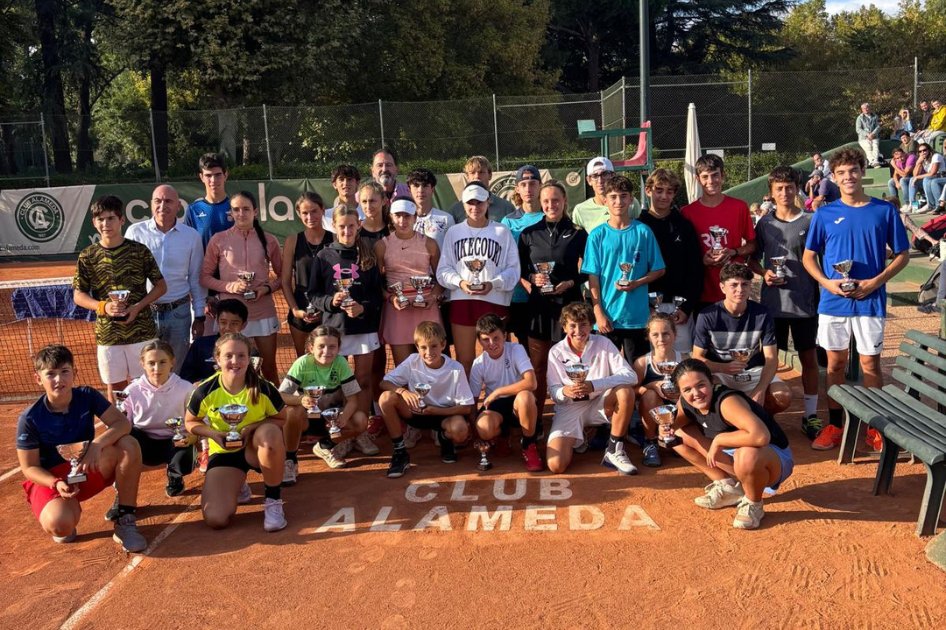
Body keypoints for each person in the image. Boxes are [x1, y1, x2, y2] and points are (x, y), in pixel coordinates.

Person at [802, 148, 911, 451]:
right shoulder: (824, 213)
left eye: (853, 170)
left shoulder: (884, 210)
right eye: (841, 173)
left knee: (870, 366)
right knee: (835, 365)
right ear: (833, 177)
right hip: (833, 302)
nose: (848, 177)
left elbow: (902, 255)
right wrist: (827, 283)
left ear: (862, 172)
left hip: (870, 300)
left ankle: (876, 428)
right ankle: (836, 425)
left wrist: (875, 282)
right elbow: (809, 257)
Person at [16, 344, 147, 551]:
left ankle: (125, 519)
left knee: (128, 444)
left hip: (86, 465)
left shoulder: (87, 395)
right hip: (52, 480)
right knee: (60, 525)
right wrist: (55, 483)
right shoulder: (29, 418)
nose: (59, 380)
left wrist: (97, 444)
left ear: (74, 373)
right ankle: (66, 512)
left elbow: (122, 423)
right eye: (51, 374)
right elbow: (29, 467)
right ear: (38, 378)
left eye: (64, 372)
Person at [666, 359, 793, 530]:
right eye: (687, 389)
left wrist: (719, 440)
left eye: (701, 385)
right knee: (678, 436)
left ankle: (753, 503)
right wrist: (665, 429)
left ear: (712, 382)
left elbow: (760, 436)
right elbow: (673, 426)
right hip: (736, 455)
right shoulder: (686, 403)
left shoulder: (727, 402)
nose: (695, 393)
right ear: (680, 392)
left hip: (772, 458)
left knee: (746, 455)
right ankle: (728, 487)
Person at [184, 333, 288, 532]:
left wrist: (251, 428)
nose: (235, 361)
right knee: (216, 519)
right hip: (224, 453)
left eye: (241, 356)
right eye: (228, 356)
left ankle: (273, 501)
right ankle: (237, 484)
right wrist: (214, 434)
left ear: (249, 359)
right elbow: (190, 422)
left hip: (255, 449)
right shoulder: (205, 390)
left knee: (270, 433)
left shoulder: (264, 388)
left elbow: (281, 418)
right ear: (217, 359)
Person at [749, 167, 822, 439]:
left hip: (805, 303)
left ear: (797, 188)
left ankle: (811, 415)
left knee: (809, 358)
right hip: (773, 305)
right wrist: (764, 273)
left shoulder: (811, 221)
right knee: (769, 359)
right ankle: (765, 414)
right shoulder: (764, 224)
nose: (784, 192)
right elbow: (753, 259)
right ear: (771, 191)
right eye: (779, 188)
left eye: (789, 187)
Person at [73, 195, 167, 401]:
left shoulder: (139, 251)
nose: (106, 224)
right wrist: (104, 307)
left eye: (111, 218)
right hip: (108, 335)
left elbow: (161, 286)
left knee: (147, 383)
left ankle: (145, 429)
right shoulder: (87, 256)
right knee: (115, 388)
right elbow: (78, 295)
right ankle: (118, 427)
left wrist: (138, 307)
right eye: (101, 219)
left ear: (121, 220)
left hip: (142, 331)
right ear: (94, 222)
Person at [437, 181, 521, 375]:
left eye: (480, 202)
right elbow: (443, 270)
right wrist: (460, 282)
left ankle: (499, 404)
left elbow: (513, 270)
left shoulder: (502, 231)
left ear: (488, 202)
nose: (475, 207)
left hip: (495, 302)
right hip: (462, 301)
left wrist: (493, 284)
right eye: (470, 203)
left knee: (498, 361)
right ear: (463, 204)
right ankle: (469, 406)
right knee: (464, 361)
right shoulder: (453, 232)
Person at [307, 206, 384, 417]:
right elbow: (313, 294)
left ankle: (361, 427)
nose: (347, 231)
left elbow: (377, 295)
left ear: (359, 225)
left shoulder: (368, 254)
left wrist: (362, 307)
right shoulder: (324, 255)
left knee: (364, 380)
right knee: (336, 382)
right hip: (335, 329)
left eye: (351, 226)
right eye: (342, 226)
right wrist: (331, 301)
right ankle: (341, 429)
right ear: (334, 226)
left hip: (363, 327)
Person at [200, 190, 282, 385]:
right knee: (231, 368)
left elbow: (282, 277)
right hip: (231, 316)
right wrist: (230, 286)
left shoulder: (269, 240)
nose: (241, 214)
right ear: (231, 213)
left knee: (269, 367)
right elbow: (204, 277)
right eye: (236, 210)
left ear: (255, 212)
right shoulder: (218, 240)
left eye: (246, 209)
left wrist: (265, 289)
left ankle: (278, 412)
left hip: (263, 312)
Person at [546, 302, 638, 475]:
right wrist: (564, 392)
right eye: (572, 325)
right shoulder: (555, 352)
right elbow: (554, 391)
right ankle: (583, 438)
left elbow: (631, 376)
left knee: (625, 391)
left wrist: (594, 385)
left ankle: (613, 449)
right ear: (564, 327)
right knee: (556, 465)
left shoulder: (603, 343)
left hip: (600, 403)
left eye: (583, 325)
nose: (578, 331)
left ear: (591, 325)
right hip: (569, 409)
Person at [518, 180, 587, 404]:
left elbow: (588, 270)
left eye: (556, 200)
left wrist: (570, 281)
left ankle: (570, 415)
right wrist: (532, 278)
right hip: (539, 308)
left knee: (570, 366)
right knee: (538, 366)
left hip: (569, 308)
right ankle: (536, 420)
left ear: (565, 200)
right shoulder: (529, 234)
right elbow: (519, 269)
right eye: (546, 201)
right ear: (540, 202)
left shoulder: (578, 233)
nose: (551, 205)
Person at [582, 175, 665, 361]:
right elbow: (592, 277)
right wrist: (598, 313)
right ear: (605, 200)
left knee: (637, 374)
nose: (618, 201)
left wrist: (637, 283)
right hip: (607, 319)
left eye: (623, 196)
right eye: (613, 196)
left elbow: (659, 269)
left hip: (637, 319)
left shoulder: (643, 232)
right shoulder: (597, 235)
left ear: (630, 199)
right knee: (604, 374)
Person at [125, 184, 206, 372]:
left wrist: (200, 316)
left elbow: (195, 278)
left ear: (178, 205)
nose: (163, 205)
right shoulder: (134, 232)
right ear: (151, 204)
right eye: (158, 201)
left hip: (180, 314)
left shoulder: (191, 237)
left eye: (168, 201)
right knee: (144, 370)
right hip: (144, 314)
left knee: (175, 369)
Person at [378, 321, 475, 478]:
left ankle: (445, 439)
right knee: (386, 398)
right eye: (423, 347)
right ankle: (400, 451)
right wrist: (403, 391)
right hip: (417, 413)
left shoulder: (455, 368)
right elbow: (384, 383)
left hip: (444, 414)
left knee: (460, 430)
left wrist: (436, 410)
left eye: (433, 346)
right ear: (417, 347)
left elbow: (466, 408)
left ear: (443, 344)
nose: (428, 352)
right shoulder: (412, 361)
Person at [692, 262, 792, 415]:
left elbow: (771, 358)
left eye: (745, 284)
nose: (740, 290)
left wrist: (760, 390)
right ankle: (731, 424)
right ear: (722, 287)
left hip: (753, 371)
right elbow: (697, 358)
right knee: (711, 391)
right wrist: (723, 368)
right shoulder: (707, 315)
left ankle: (762, 419)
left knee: (782, 396)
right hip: (721, 374)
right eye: (734, 285)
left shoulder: (762, 314)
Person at [279, 326, 372, 480]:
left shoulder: (341, 363)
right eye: (321, 346)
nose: (326, 351)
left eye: (332, 347)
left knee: (360, 420)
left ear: (339, 348)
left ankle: (325, 446)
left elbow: (353, 401)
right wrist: (301, 399)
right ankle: (290, 460)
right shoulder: (302, 363)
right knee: (291, 412)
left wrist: (343, 417)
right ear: (311, 347)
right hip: (307, 420)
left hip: (331, 419)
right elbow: (281, 395)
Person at [638, 168, 703, 353]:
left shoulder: (684, 225)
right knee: (651, 360)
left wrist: (687, 307)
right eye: (659, 190)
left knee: (681, 358)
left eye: (669, 191)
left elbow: (695, 269)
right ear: (648, 190)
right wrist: (644, 306)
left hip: (679, 308)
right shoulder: (638, 226)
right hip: (647, 307)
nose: (664, 196)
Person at [120, 340, 195, 498]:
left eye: (162, 362)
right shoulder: (131, 391)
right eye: (151, 363)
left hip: (176, 443)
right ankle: (121, 495)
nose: (157, 368)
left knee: (185, 462)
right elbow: (123, 424)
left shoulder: (186, 388)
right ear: (143, 364)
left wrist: (193, 437)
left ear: (172, 362)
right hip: (144, 444)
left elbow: (198, 419)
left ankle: (175, 475)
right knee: (124, 440)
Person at [681, 154, 756, 310]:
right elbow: (683, 254)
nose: (710, 181)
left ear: (723, 175)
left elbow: (752, 245)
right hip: (702, 292)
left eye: (715, 175)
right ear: (697, 179)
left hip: (735, 293)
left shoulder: (739, 207)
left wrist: (733, 252)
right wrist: (701, 259)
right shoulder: (687, 213)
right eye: (705, 176)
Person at [469, 314, 541, 472]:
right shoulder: (478, 364)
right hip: (496, 407)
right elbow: (472, 402)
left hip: (518, 402)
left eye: (496, 338)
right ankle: (502, 436)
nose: (492, 343)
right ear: (479, 341)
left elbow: (531, 382)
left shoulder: (516, 349)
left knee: (526, 397)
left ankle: (529, 444)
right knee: (484, 427)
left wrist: (498, 391)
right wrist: (477, 435)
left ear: (505, 335)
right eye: (486, 340)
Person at [376, 198, 443, 366]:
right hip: (397, 309)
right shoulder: (381, 246)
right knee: (403, 368)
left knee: (430, 365)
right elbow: (376, 283)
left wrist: (433, 297)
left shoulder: (430, 244)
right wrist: (391, 299)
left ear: (415, 218)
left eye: (407, 216)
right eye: (398, 216)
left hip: (426, 308)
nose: (402, 221)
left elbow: (442, 277)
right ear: (391, 217)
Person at [280, 192, 333, 357]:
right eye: (305, 213)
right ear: (299, 214)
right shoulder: (292, 241)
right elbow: (285, 281)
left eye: (314, 211)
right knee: (303, 361)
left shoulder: (335, 239)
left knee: (329, 360)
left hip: (329, 312)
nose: (310, 216)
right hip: (300, 313)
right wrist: (295, 310)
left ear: (323, 210)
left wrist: (327, 308)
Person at [632, 312, 687, 468]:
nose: (661, 339)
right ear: (649, 337)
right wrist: (652, 386)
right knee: (649, 395)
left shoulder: (685, 360)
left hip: (678, 412)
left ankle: (676, 436)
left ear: (674, 335)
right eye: (655, 335)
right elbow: (632, 391)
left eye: (666, 334)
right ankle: (650, 442)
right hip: (652, 410)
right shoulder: (642, 362)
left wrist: (681, 392)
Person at [501, 165, 545, 344]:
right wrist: (524, 280)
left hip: (544, 293)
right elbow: (506, 259)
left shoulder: (548, 216)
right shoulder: (509, 221)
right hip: (518, 295)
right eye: (524, 184)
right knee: (522, 345)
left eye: (533, 183)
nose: (528, 189)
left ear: (540, 186)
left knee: (544, 344)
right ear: (517, 188)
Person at [179, 299, 250, 384]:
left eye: (234, 323)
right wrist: (202, 385)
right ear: (217, 321)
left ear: (244, 324)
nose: (228, 328)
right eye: (223, 322)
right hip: (205, 394)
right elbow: (185, 378)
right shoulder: (200, 345)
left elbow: (250, 381)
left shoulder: (248, 349)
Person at [571, 156, 642, 233]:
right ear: (589, 180)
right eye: (595, 176)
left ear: (613, 176)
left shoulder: (631, 203)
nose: (600, 180)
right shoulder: (580, 210)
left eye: (605, 174)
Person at [447, 156, 515, 223]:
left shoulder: (506, 208)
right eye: (472, 173)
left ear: (490, 175)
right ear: (467, 176)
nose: (477, 176)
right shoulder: (455, 210)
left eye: (481, 172)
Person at [185, 152, 232, 250]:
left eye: (218, 175)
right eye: (208, 175)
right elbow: (187, 247)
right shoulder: (193, 210)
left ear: (226, 175)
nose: (213, 180)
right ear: (201, 177)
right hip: (203, 265)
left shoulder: (237, 208)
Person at [408, 167, 455, 249]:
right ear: (409, 190)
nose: (420, 190)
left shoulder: (446, 219)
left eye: (425, 186)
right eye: (416, 185)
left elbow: (452, 251)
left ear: (432, 189)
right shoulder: (402, 219)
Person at [324, 164, 364, 233]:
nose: (345, 183)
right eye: (341, 179)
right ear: (334, 184)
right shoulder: (325, 216)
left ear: (357, 183)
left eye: (349, 179)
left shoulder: (367, 214)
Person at [907, 143, 943, 212]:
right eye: (920, 151)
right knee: (912, 179)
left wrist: (918, 177)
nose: (922, 152)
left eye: (924, 150)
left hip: (941, 177)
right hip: (932, 179)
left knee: (926, 179)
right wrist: (918, 163)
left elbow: (933, 172)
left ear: (929, 150)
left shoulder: (936, 156)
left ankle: (931, 205)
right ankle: (913, 205)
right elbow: (915, 175)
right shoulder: (924, 159)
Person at [358, 180, 391, 247]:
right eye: (364, 201)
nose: (368, 206)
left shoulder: (392, 231)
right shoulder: (355, 232)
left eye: (372, 201)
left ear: (384, 201)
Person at [855, 102, 881, 167]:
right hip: (863, 138)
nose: (866, 109)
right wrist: (867, 135)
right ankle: (873, 161)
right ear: (862, 110)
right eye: (864, 108)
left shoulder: (875, 116)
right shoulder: (859, 118)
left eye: (867, 108)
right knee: (868, 148)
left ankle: (875, 161)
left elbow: (878, 127)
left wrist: (872, 134)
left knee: (875, 147)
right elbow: (858, 129)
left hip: (874, 137)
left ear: (869, 108)